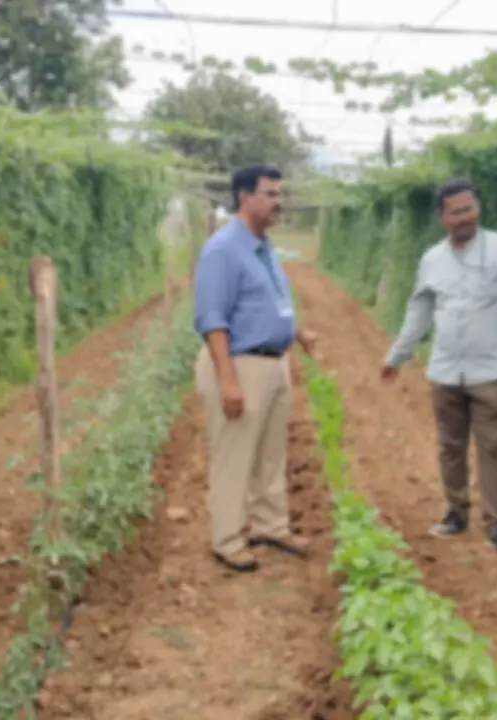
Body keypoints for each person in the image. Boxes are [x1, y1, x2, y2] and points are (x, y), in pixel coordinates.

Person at [379, 178, 497, 555]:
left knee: (493, 447)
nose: (466, 216)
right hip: (446, 370)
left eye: (470, 208)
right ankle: (455, 512)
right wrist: (397, 356)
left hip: (490, 370)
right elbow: (419, 309)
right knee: (450, 447)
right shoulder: (432, 259)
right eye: (456, 211)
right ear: (442, 217)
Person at [192, 164, 319, 574]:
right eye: (270, 194)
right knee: (234, 454)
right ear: (245, 198)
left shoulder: (263, 246)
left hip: (274, 363)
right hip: (240, 365)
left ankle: (271, 525)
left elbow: (267, 301)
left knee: (270, 454)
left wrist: (297, 332)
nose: (278, 202)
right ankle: (227, 540)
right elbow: (212, 318)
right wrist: (228, 380)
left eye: (279, 194)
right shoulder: (223, 249)